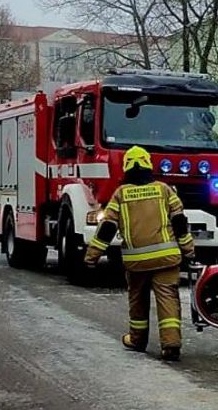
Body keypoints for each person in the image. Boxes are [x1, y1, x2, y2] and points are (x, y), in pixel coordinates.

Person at [84, 145, 196, 361]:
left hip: (136, 263)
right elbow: (180, 223)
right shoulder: (165, 190)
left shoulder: (120, 195)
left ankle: (137, 339)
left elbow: (107, 228)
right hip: (166, 259)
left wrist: (92, 256)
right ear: (148, 165)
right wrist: (189, 251)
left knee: (138, 301)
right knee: (168, 299)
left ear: (126, 167)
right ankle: (171, 344)